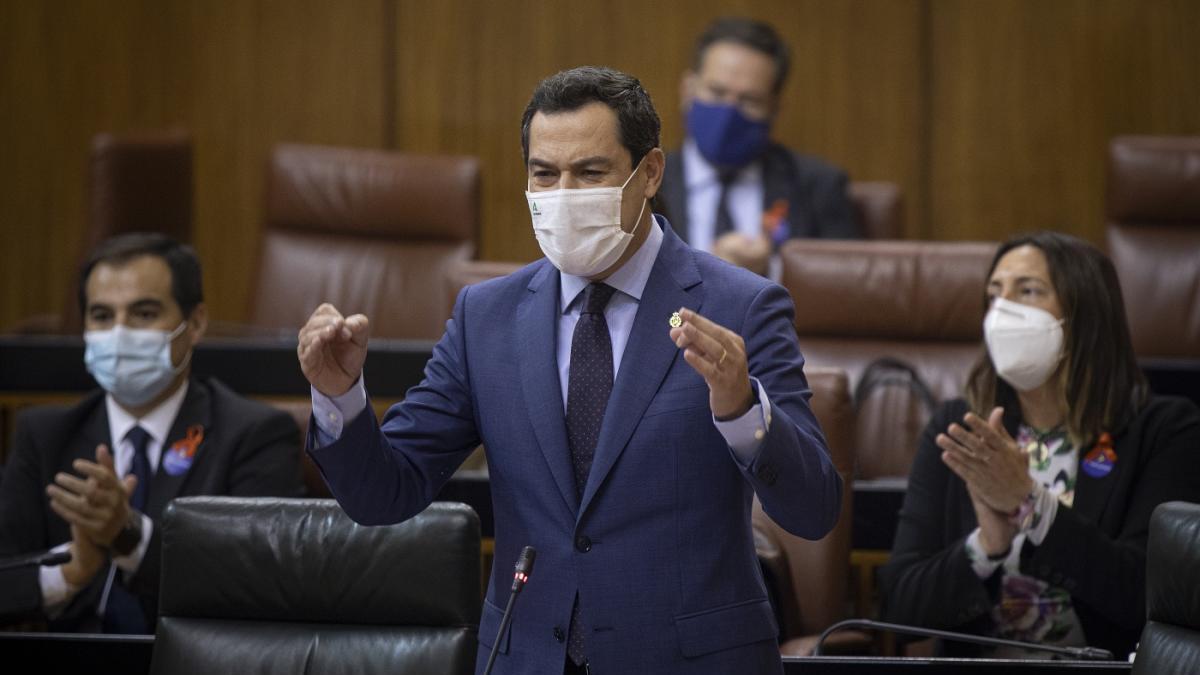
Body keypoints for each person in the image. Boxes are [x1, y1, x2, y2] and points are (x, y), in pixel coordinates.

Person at [300, 66, 842, 674]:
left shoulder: (741, 306)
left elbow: (813, 509)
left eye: (590, 172)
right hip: (528, 657)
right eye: (544, 174)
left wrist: (743, 407)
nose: (563, 194)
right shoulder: (487, 318)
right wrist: (339, 396)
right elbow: (386, 493)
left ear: (650, 174)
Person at [880, 232, 1200, 659]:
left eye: (1027, 291)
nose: (1003, 310)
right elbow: (899, 609)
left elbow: (1150, 600)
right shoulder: (961, 428)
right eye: (995, 293)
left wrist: (1031, 507)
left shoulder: (1164, 430)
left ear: (1084, 314)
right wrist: (986, 547)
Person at [0, 233, 305, 633]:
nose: (120, 334)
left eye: (143, 314)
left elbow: (262, 583)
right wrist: (68, 573)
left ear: (194, 324)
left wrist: (130, 536)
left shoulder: (254, 435)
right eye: (102, 316)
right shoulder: (44, 436)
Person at [658, 17, 859, 277]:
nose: (729, 113)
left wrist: (771, 272)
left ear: (774, 110)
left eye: (749, 100)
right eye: (717, 92)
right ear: (687, 90)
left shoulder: (818, 186)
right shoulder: (647, 185)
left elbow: (848, 290)